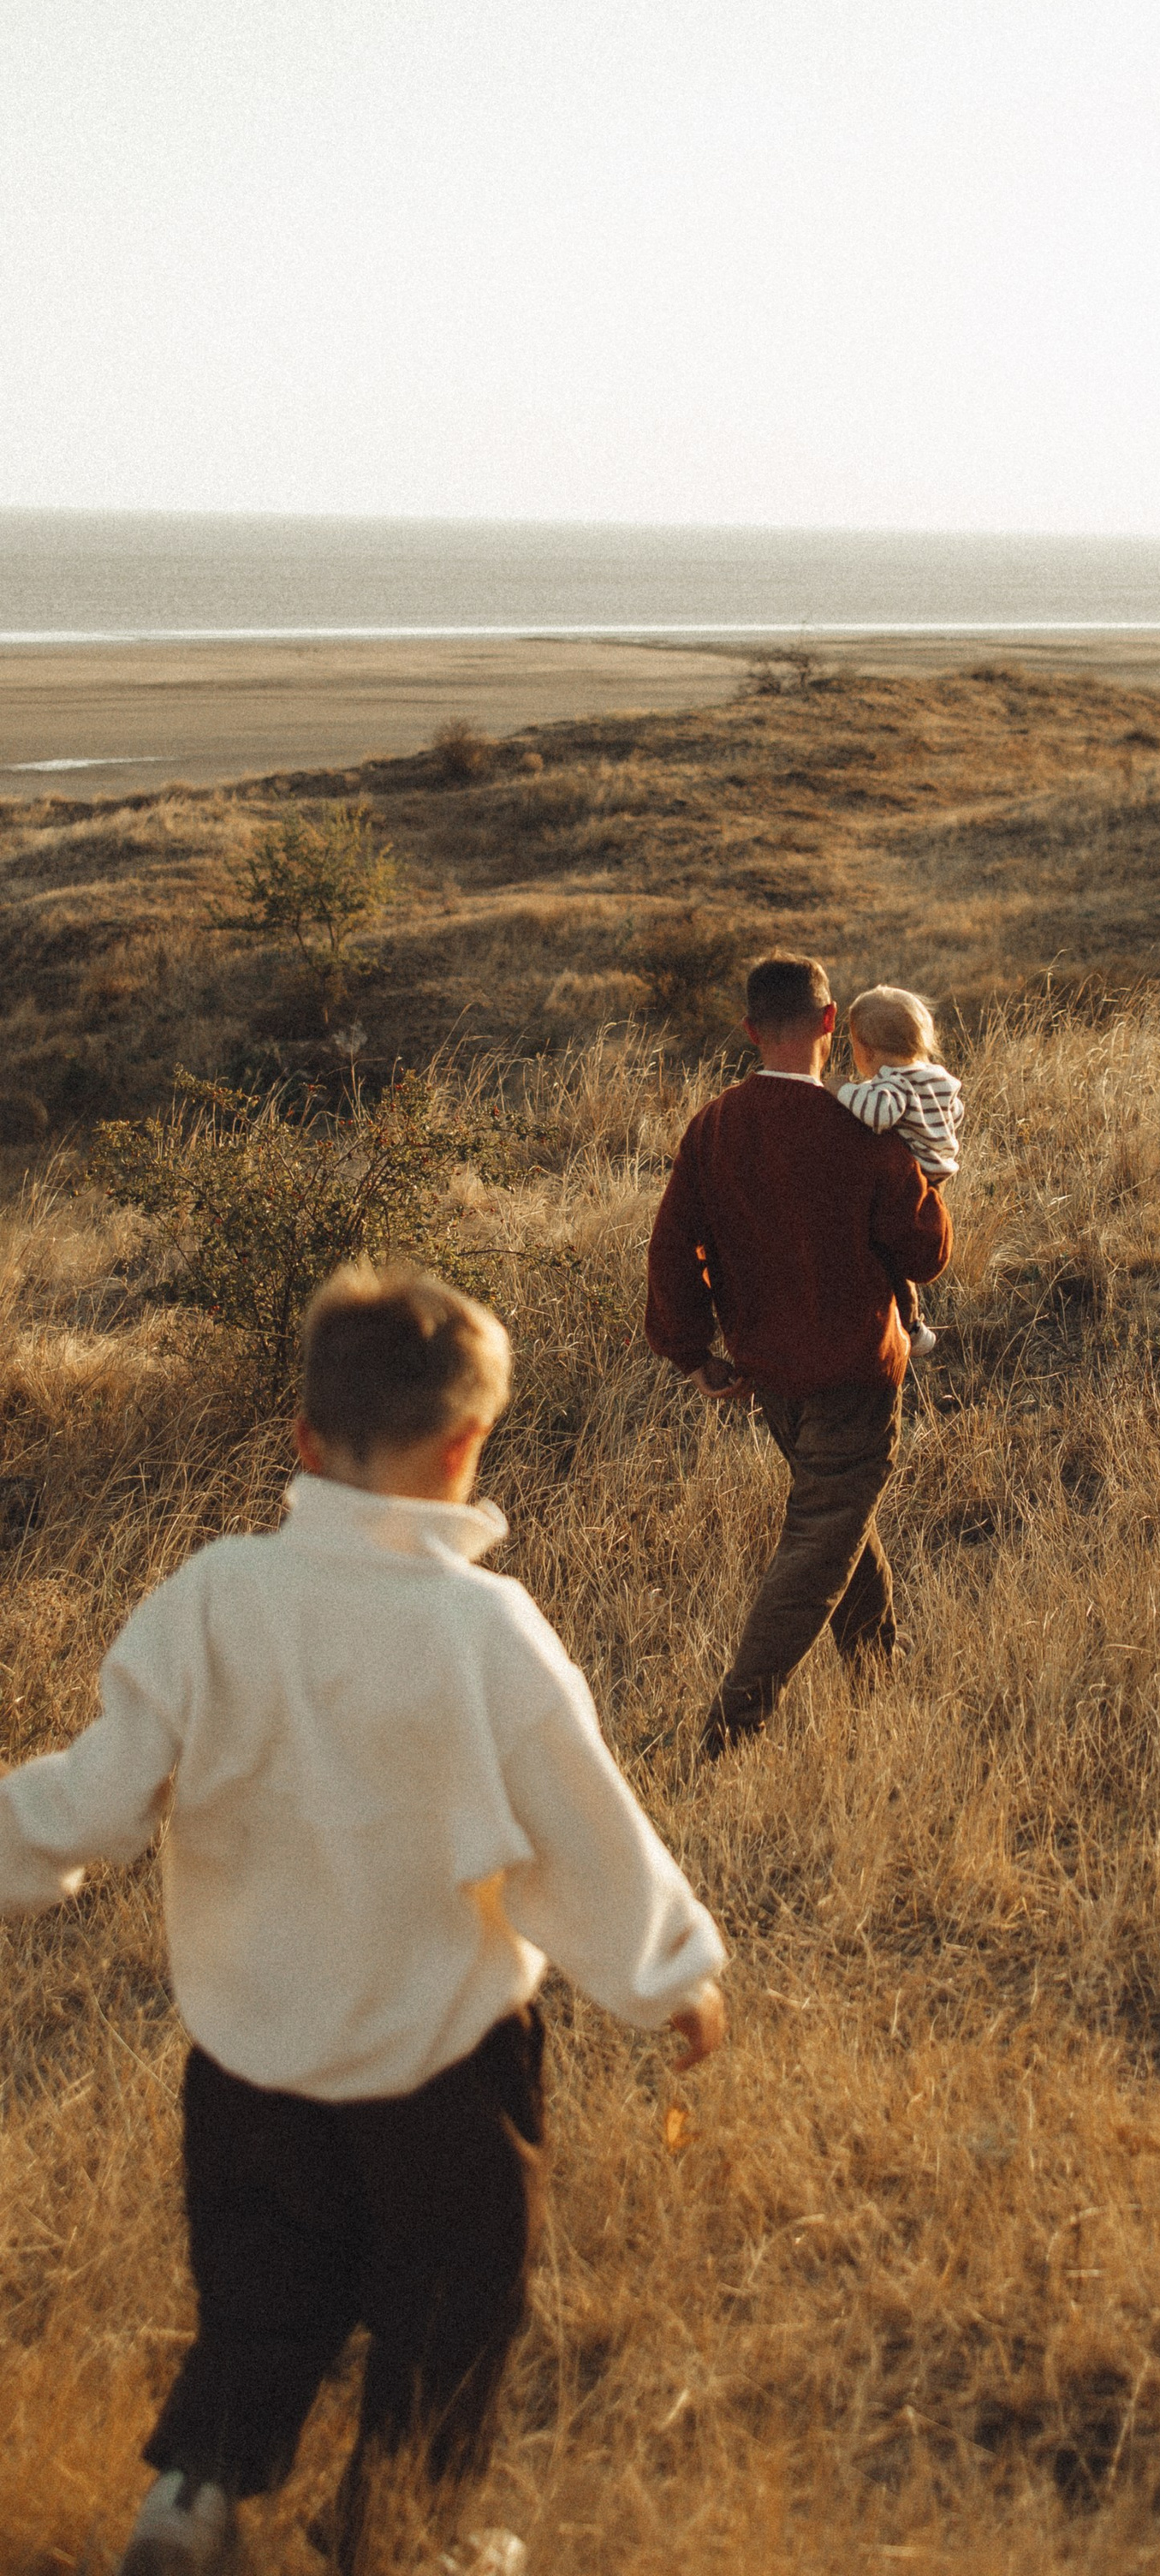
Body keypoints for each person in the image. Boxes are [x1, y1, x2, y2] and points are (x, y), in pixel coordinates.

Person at [0, 1264, 727, 2576]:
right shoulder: (485, 1629)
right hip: (439, 2061)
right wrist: (668, 1969)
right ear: (465, 1447)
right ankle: (396, 2536)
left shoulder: (215, 1596)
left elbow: (99, 1794)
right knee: (454, 2302)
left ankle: (192, 2497)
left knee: (261, 2290)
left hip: (249, 2057)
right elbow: (581, 1829)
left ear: (302, 1438)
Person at [645, 951, 951, 1754]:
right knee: (821, 1541)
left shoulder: (714, 1126)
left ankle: (879, 1678)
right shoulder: (861, 1129)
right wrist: (927, 1179)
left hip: (770, 1376)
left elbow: (671, 1249)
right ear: (830, 1022)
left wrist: (693, 1355)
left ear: (750, 1031)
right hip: (854, 1373)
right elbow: (925, 1255)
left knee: (839, 1520)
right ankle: (732, 1727)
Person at [836, 983, 963, 1361]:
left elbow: (879, 1114)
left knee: (889, 1252)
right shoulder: (936, 1075)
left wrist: (842, 1090)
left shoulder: (894, 1083)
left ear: (866, 1050)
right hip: (937, 1171)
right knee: (904, 1243)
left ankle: (910, 1327)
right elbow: (955, 1113)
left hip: (912, 1175)